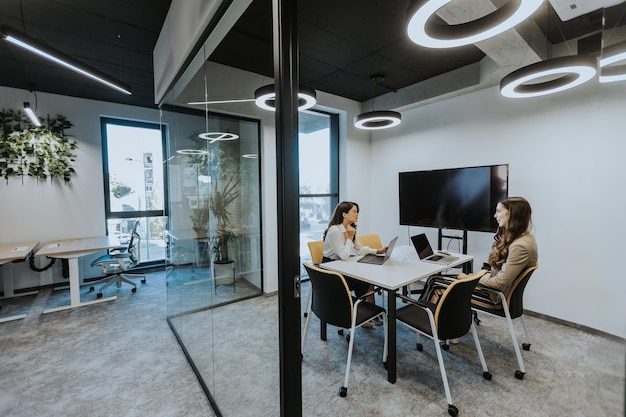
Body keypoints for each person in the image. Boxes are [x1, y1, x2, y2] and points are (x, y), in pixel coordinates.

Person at [458, 196, 538, 303]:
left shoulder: (520, 246)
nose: (495, 216)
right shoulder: (523, 237)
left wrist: (470, 279)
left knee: (439, 288)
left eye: (499, 211)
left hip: (496, 296)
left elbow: (499, 283)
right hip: (494, 288)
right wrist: (475, 277)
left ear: (512, 214)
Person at [321, 201, 387, 326]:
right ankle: (363, 314)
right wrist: (350, 237)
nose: (357, 215)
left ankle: (369, 313)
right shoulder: (335, 231)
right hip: (331, 269)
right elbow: (344, 256)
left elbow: (359, 249)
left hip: (341, 264)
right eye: (354, 211)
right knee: (364, 279)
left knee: (368, 278)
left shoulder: (350, 228)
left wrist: (378, 251)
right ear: (344, 214)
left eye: (357, 212)